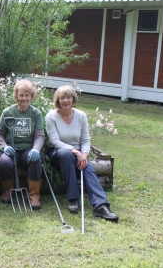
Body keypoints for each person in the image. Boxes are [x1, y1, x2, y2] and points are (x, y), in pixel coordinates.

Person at [45, 85, 119, 221]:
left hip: (79, 152)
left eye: (68, 97)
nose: (65, 100)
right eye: (62, 98)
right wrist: (76, 152)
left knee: (87, 168)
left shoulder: (81, 116)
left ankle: (101, 206)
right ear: (58, 100)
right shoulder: (51, 117)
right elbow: (54, 141)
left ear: (73, 99)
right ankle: (73, 199)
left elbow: (85, 140)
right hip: (57, 152)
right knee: (66, 154)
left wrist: (83, 154)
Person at [0, 79, 44, 209]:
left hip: (28, 149)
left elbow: (39, 135)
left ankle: (34, 195)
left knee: (36, 160)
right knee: (4, 162)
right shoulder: (8, 112)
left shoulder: (35, 113)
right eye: (21, 95)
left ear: (31, 96)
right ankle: (7, 191)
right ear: (16, 96)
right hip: (11, 149)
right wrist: (4, 147)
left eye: (27, 95)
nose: (24, 98)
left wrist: (36, 149)